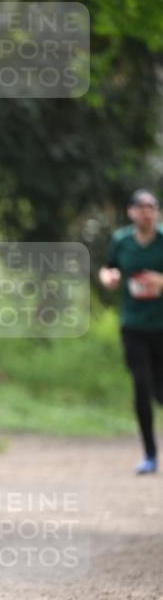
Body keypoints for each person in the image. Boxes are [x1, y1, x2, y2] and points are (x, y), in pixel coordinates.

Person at [99, 189, 163, 475]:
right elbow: (108, 267)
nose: (147, 212)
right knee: (141, 387)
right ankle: (149, 454)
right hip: (134, 326)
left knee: (160, 391)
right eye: (142, 207)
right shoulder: (121, 241)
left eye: (152, 207)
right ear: (131, 211)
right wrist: (109, 277)